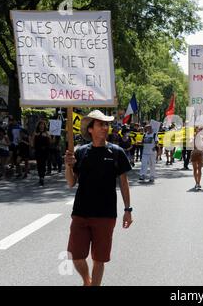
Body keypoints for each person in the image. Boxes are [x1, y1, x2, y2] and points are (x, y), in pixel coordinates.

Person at [64, 110, 133, 286]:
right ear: (90, 130)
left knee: (99, 259)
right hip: (80, 213)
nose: (105, 127)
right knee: (76, 256)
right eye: (100, 124)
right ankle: (87, 280)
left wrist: (128, 210)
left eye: (106, 124)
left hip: (105, 214)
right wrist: (68, 166)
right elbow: (72, 182)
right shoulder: (80, 152)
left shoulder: (117, 152)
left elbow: (124, 183)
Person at [32, 120, 50, 186]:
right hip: (38, 150)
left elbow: (50, 141)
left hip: (45, 151)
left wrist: (48, 135)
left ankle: (42, 177)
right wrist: (32, 148)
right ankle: (40, 177)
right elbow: (32, 141)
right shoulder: (35, 133)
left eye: (43, 124)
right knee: (39, 164)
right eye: (40, 124)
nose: (42, 126)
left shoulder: (47, 133)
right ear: (38, 126)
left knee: (43, 164)